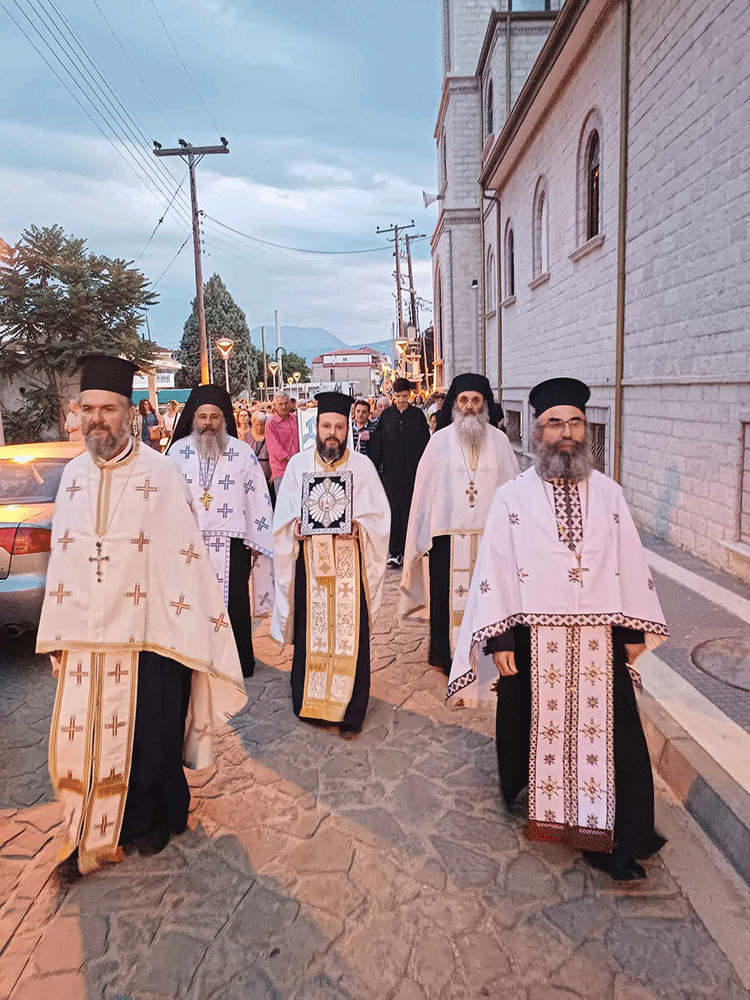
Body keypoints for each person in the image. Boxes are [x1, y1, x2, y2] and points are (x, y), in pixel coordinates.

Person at [448, 377, 669, 882]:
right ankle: (555, 812)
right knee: (535, 727)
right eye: (554, 424)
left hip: (600, 641)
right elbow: (495, 569)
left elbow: (629, 563)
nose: (565, 433)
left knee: (616, 737)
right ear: (538, 432)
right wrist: (500, 639)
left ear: (584, 429)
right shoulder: (512, 499)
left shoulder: (610, 495)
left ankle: (616, 836)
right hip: (533, 639)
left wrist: (633, 631)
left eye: (574, 423)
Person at [37, 355, 246, 874]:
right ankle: (91, 822)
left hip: (148, 633)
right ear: (77, 412)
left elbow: (182, 554)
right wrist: (59, 630)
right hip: (87, 634)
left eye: (108, 409)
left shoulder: (161, 474)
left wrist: (185, 624)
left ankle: (155, 819)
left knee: (151, 735)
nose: (97, 420)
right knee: (83, 734)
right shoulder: (72, 479)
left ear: (130, 413)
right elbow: (63, 556)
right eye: (88, 409)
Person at [271, 392, 390, 737]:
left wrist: (359, 527)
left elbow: (380, 518)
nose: (332, 433)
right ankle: (310, 701)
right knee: (313, 632)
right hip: (311, 568)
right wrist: (295, 527)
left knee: (352, 637)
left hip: (350, 566)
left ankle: (352, 710)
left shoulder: (362, 467)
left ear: (346, 429)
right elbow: (285, 516)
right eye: (326, 426)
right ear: (317, 428)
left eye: (339, 426)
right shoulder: (297, 466)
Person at [400, 374, 519, 674]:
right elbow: (424, 491)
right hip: (446, 540)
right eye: (463, 400)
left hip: (489, 538)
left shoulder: (501, 442)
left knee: (490, 595)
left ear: (485, 405)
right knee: (444, 599)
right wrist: (420, 534)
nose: (469, 406)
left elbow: (512, 489)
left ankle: (488, 653)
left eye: (475, 400)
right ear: (455, 404)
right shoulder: (439, 442)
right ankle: (446, 656)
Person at [167, 385, 274, 678]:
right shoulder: (177, 452)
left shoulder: (242, 453)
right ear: (193, 419)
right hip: (188, 546)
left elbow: (257, 497)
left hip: (233, 544)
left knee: (236, 604)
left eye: (215, 416)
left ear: (224, 419)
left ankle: (237, 661)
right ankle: (195, 658)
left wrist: (258, 538)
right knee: (191, 603)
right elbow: (165, 498)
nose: (208, 423)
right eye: (202, 416)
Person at [369, 378, 430, 568]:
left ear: (410, 395)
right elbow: (378, 442)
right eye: (398, 396)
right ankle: (395, 552)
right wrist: (374, 466)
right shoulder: (386, 416)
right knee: (394, 511)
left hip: (413, 472)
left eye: (405, 396)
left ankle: (413, 548)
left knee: (413, 509)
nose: (402, 400)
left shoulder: (418, 416)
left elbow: (425, 444)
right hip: (392, 473)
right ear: (392, 396)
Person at [266, 392, 300, 495]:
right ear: (275, 405)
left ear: (290, 403)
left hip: (298, 467)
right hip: (281, 470)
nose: (284, 406)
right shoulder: (271, 423)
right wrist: (292, 460)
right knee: (284, 503)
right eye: (280, 404)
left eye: (286, 403)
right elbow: (275, 448)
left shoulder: (296, 419)